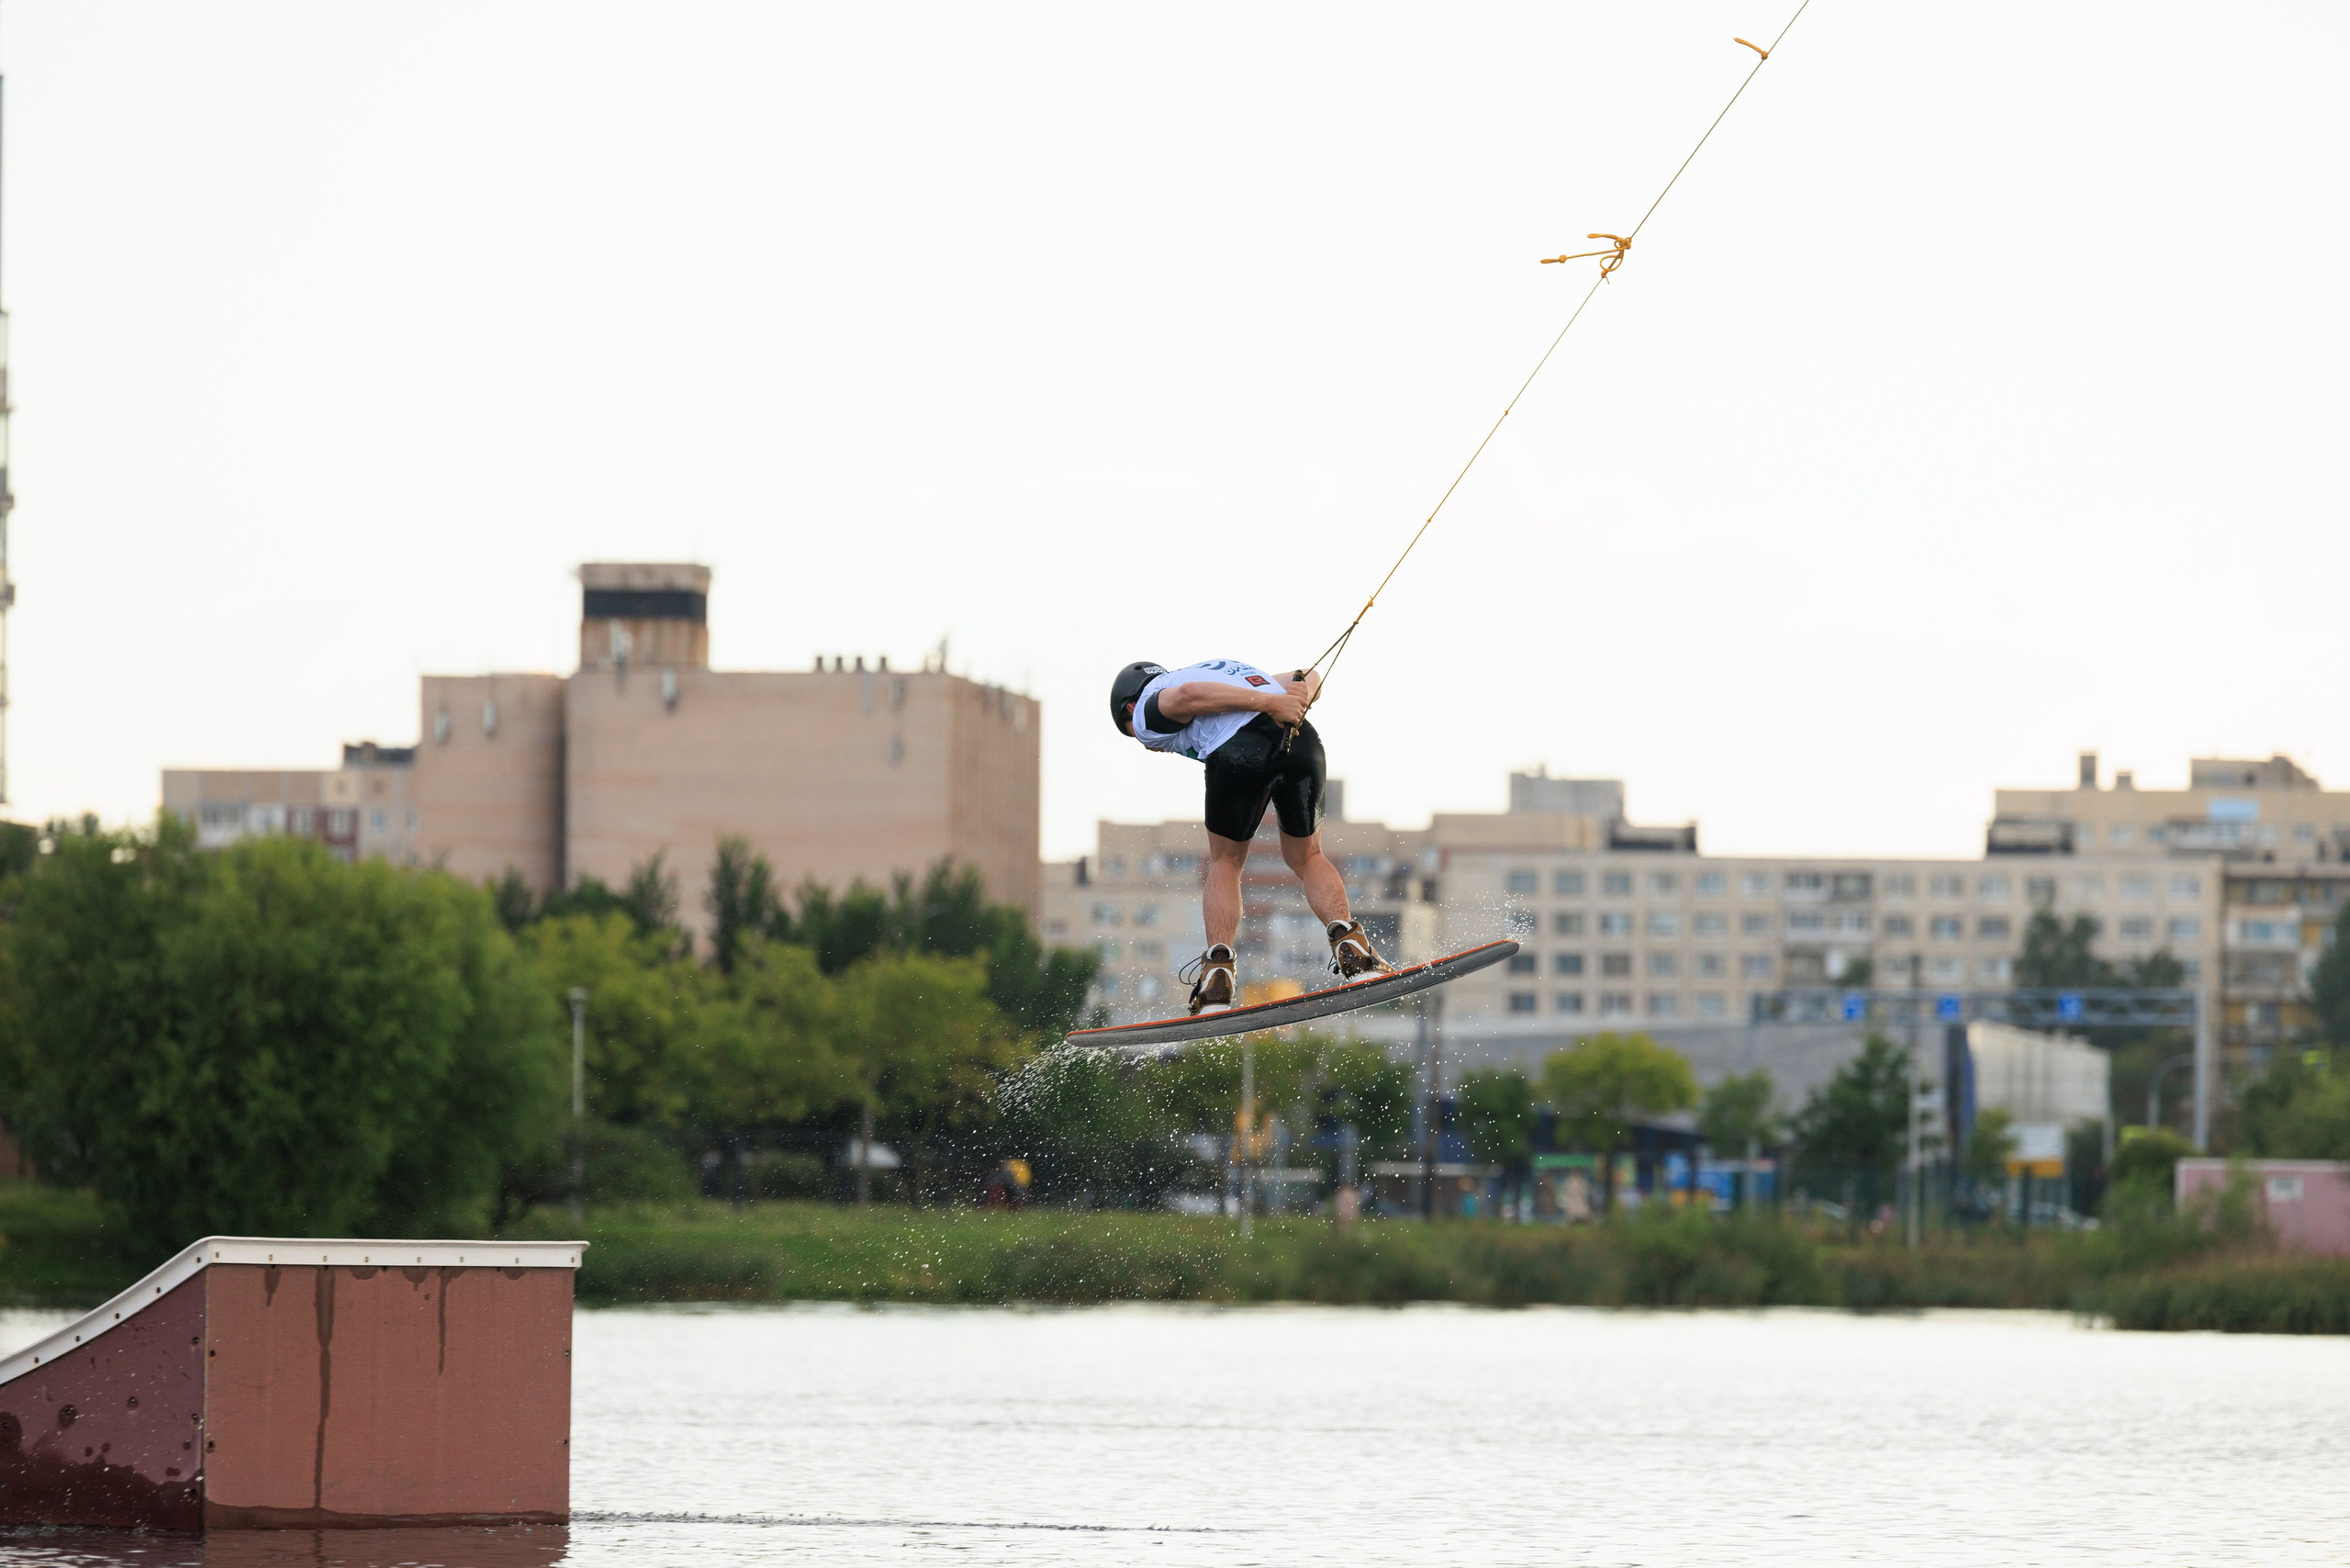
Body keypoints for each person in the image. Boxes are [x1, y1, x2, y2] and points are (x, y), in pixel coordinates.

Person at [1108, 658, 1393, 1014]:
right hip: (1302, 742)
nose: (1142, 741)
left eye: (1129, 730)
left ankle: (1217, 980)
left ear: (1129, 708)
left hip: (1242, 749)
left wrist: (1273, 704)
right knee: (1308, 856)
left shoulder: (1148, 707)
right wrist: (1301, 693)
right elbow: (1304, 677)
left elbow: (1188, 695)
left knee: (1225, 861)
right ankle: (1352, 949)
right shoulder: (1219, 674)